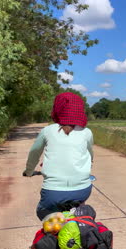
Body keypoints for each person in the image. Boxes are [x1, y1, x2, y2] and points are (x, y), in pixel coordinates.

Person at [23, 92, 94, 221]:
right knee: (78, 213)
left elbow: (34, 153)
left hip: (52, 194)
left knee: (43, 213)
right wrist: (89, 166)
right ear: (79, 109)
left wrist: (29, 171)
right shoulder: (86, 132)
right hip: (82, 191)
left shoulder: (48, 131)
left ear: (57, 108)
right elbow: (90, 154)